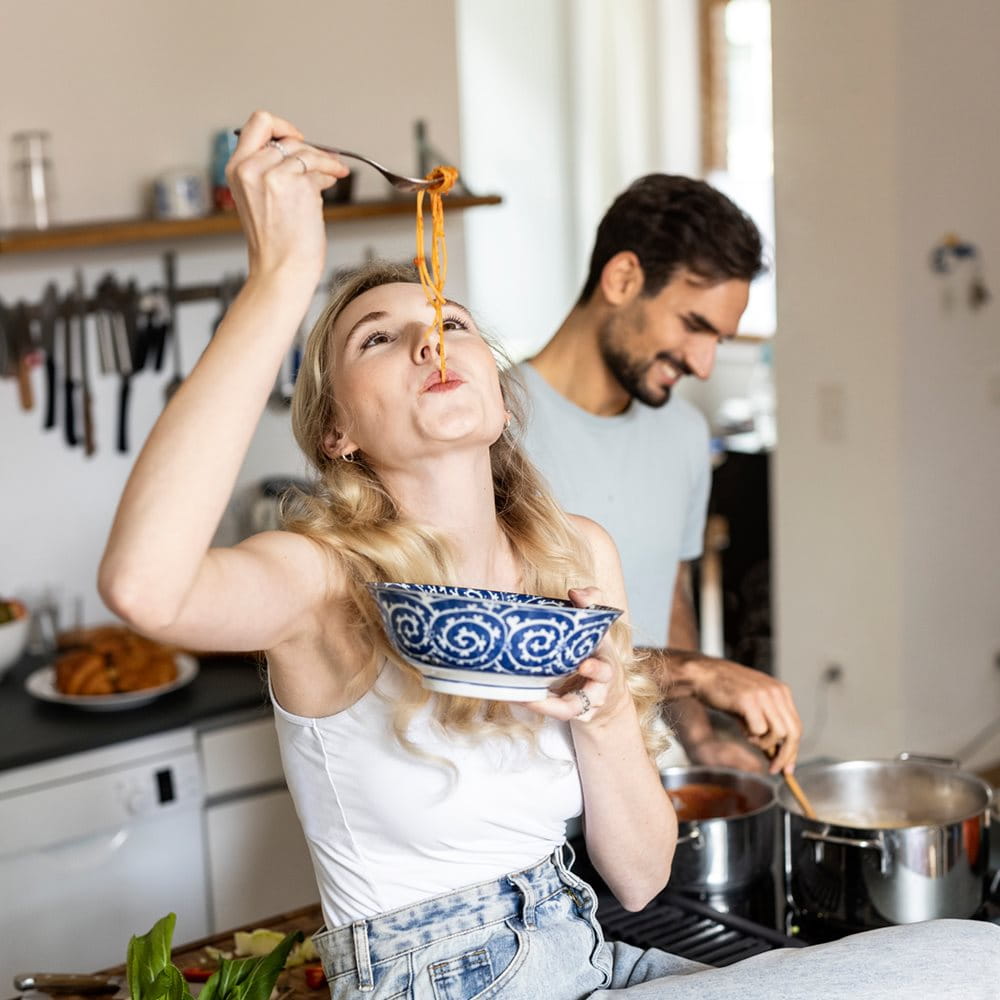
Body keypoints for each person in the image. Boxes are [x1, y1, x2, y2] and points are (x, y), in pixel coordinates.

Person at [98, 111, 998, 1000]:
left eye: (449, 321)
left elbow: (642, 880)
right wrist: (280, 281)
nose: (429, 340)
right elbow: (145, 586)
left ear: (495, 385)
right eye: (378, 337)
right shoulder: (323, 580)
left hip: (591, 955)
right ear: (335, 428)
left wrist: (607, 721)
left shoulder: (576, 558)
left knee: (971, 954)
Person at [519, 174, 801, 773]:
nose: (703, 363)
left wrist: (702, 744)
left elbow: (668, 596)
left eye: (718, 339)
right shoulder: (493, 426)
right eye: (694, 325)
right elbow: (519, 651)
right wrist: (699, 674)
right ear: (622, 279)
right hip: (530, 794)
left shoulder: (682, 434)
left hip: (636, 781)